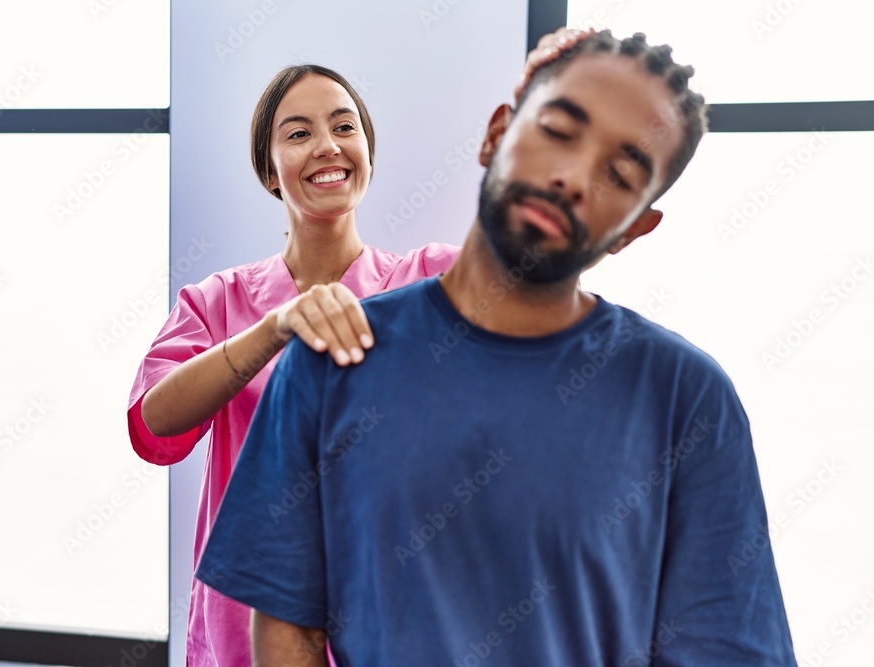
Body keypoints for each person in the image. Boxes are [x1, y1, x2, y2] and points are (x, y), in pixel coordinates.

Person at [197, 29, 798, 666]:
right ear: (496, 135)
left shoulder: (686, 397)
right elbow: (287, 628)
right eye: (558, 131)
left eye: (618, 174)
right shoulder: (331, 359)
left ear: (635, 227)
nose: (570, 176)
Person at [127, 29, 591, 667]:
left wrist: (558, 111)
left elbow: (530, 280)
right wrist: (276, 327)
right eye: (297, 133)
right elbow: (154, 427)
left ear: (367, 151)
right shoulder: (216, 302)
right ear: (269, 171)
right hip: (246, 628)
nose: (327, 146)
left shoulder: (429, 280)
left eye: (344, 126)